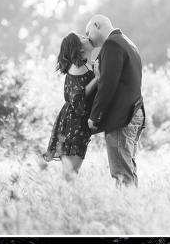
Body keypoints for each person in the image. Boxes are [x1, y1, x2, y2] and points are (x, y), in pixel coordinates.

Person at [84, 15, 145, 187]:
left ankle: (126, 211)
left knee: (121, 173)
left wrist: (94, 116)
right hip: (135, 114)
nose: (88, 38)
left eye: (88, 33)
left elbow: (108, 84)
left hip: (122, 119)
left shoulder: (112, 44)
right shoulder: (127, 42)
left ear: (97, 25)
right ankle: (133, 209)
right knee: (128, 170)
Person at [42, 32, 99, 179]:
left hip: (78, 121)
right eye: (82, 38)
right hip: (73, 123)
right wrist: (97, 78)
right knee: (69, 175)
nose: (87, 37)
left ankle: (66, 200)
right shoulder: (77, 66)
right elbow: (77, 99)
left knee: (72, 173)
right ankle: (63, 201)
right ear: (79, 48)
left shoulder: (87, 64)